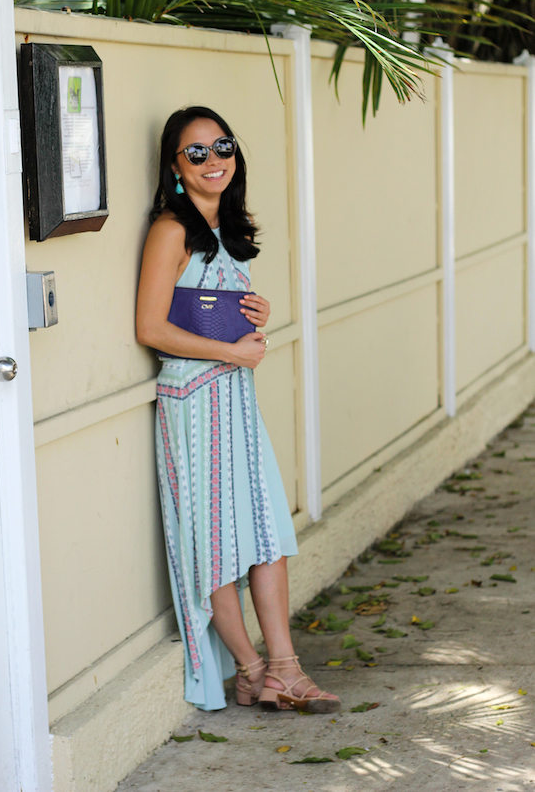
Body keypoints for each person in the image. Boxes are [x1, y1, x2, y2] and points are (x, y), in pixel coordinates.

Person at [136, 106, 340, 714]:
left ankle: (283, 667)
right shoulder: (170, 230)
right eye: (195, 153)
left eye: (221, 146)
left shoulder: (229, 229)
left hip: (234, 397)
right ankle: (253, 671)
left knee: (264, 533)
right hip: (194, 402)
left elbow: (209, 308)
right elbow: (151, 327)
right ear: (174, 168)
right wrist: (229, 349)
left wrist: (254, 316)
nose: (212, 161)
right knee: (216, 543)